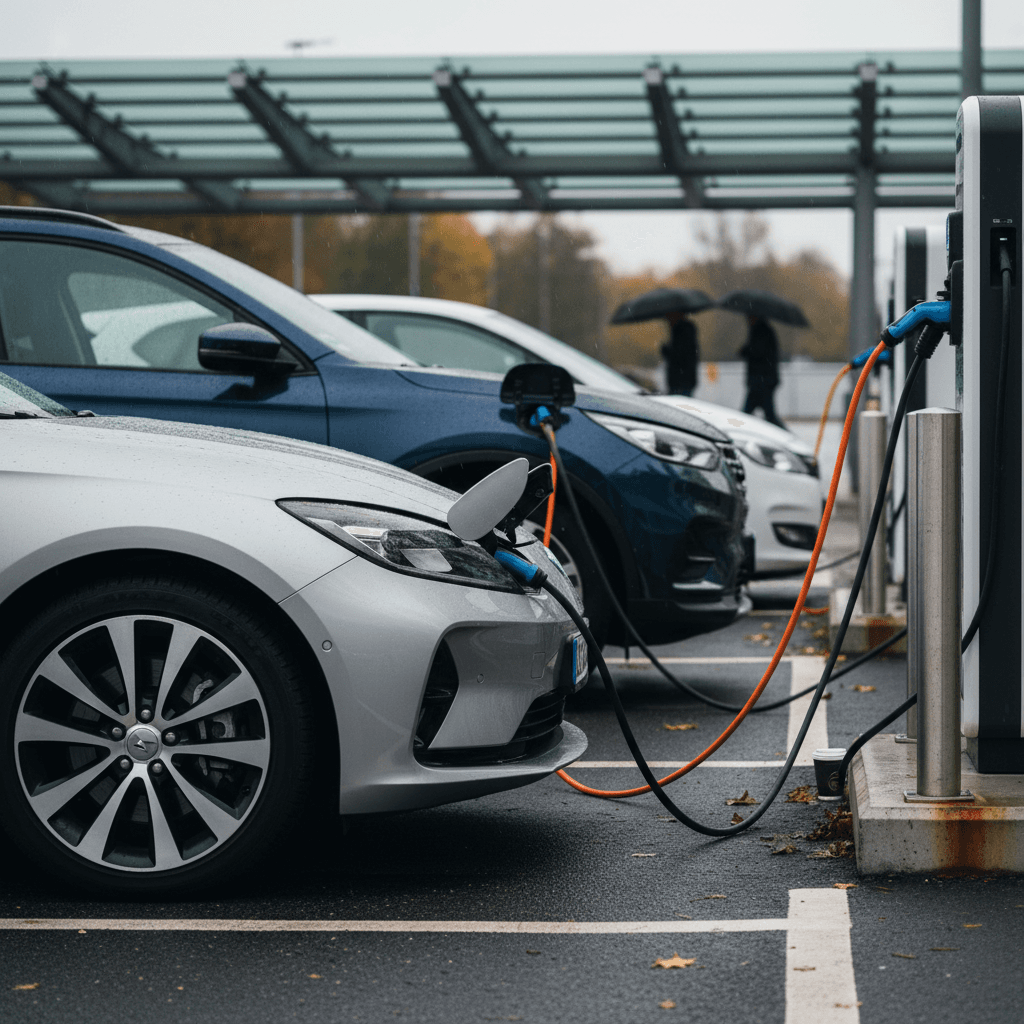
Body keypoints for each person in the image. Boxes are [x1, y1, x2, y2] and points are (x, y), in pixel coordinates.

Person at [738, 314, 784, 428]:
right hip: (764, 380)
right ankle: (787, 438)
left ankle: (737, 433)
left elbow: (758, 352)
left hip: (760, 381)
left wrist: (745, 350)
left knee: (748, 414)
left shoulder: (760, 332)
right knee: (769, 415)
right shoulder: (765, 331)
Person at [660, 311, 699, 396]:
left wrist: (666, 351)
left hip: (680, 382)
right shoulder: (686, 329)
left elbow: (680, 356)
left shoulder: (681, 331)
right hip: (685, 381)